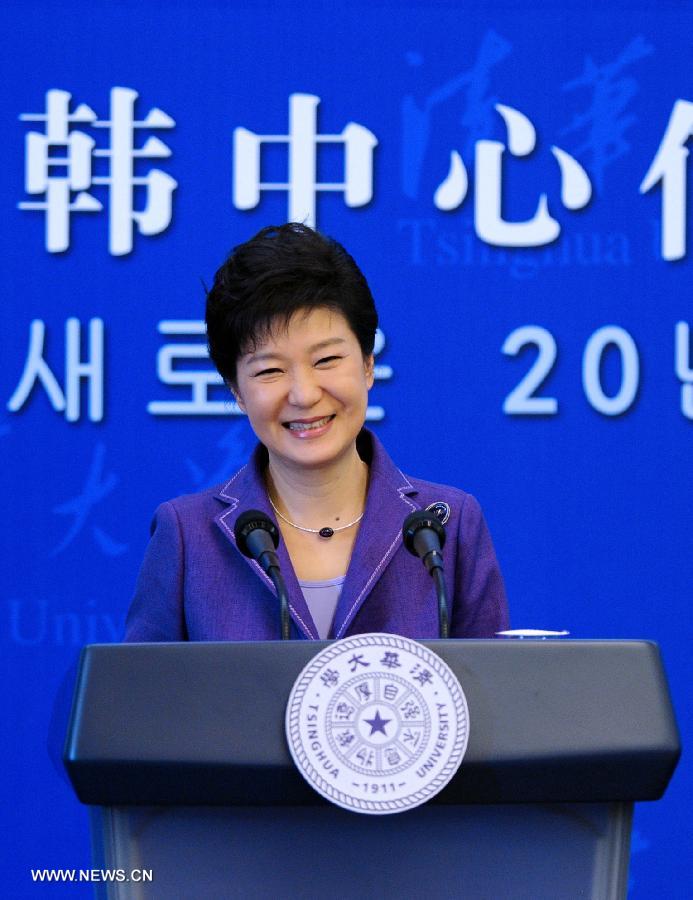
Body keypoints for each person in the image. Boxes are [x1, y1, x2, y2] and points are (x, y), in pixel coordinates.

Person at [124, 223, 508, 642]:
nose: (304, 395)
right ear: (236, 390)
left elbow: (493, 696)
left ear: (367, 364)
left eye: (326, 360)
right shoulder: (187, 534)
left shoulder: (447, 525)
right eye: (270, 370)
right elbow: (142, 702)